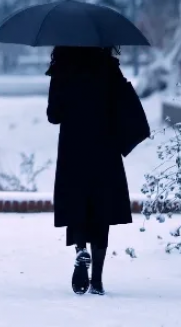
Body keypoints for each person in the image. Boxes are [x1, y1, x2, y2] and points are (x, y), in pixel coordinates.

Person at [46, 46, 133, 296]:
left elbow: (54, 115)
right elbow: (121, 106)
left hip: (73, 146)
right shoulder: (108, 67)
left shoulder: (62, 67)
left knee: (76, 202)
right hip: (104, 146)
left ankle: (81, 249)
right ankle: (97, 280)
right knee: (101, 208)